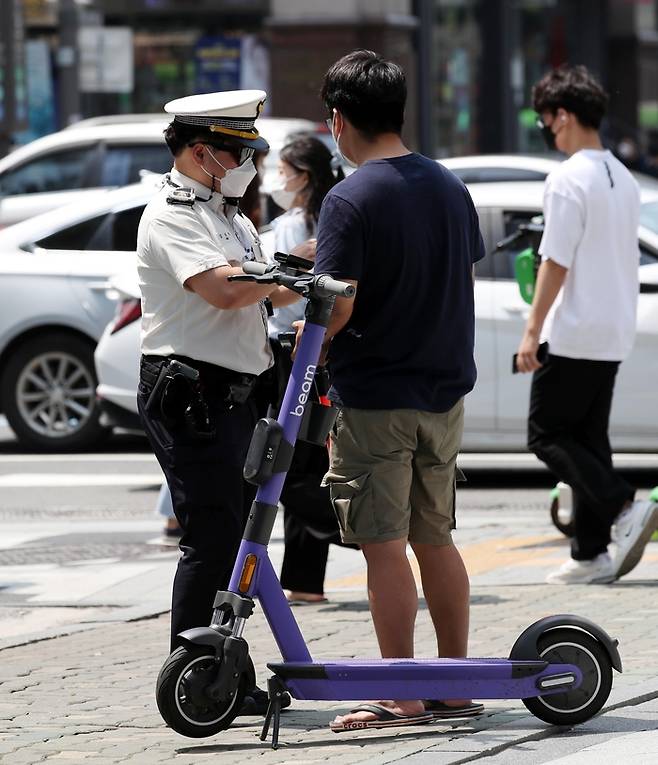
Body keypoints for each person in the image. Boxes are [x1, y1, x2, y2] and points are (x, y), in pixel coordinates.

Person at [309, 50, 485, 732]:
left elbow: (340, 305)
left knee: (383, 545)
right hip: (443, 394)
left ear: (339, 119)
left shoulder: (350, 197)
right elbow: (457, 285)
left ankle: (402, 692)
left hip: (376, 396)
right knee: (434, 538)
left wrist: (310, 340)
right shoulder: (448, 186)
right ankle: (453, 683)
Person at [136, 89, 298, 712]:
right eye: (238, 152)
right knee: (212, 535)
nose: (248, 163)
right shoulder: (173, 213)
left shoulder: (231, 215)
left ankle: (224, 670)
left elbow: (262, 296)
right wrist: (284, 275)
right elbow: (223, 290)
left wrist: (305, 280)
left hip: (235, 392)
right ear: (202, 153)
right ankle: (200, 679)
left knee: (237, 536)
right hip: (189, 392)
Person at [515, 64, 658, 584]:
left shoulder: (568, 177)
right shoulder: (621, 175)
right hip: (613, 327)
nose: (547, 130)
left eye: (547, 121)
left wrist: (531, 332)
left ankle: (623, 506)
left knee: (546, 434)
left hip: (573, 328)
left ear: (565, 115)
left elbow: (555, 260)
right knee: (589, 438)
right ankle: (589, 553)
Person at [264, 134, 353, 604]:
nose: (277, 180)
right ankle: (304, 581)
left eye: (283, 170)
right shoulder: (336, 218)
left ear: (303, 175)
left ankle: (360, 532)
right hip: (328, 350)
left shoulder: (292, 228)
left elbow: (274, 292)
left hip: (293, 351)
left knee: (288, 468)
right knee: (310, 460)